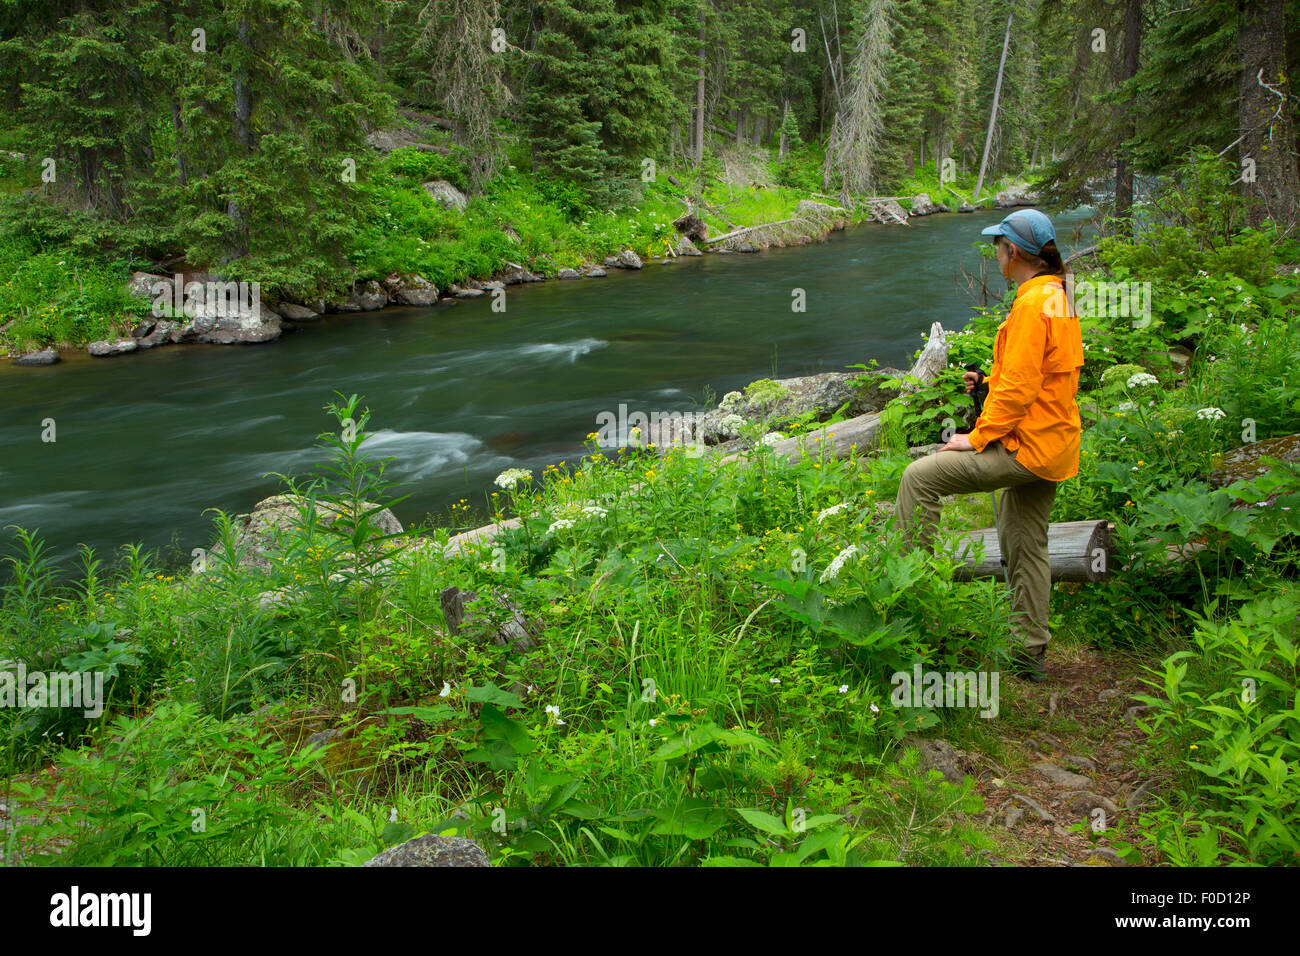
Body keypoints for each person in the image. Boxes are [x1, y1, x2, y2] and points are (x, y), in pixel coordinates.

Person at [894, 209, 1084, 682]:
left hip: (1026, 447)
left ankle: (905, 611)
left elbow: (1020, 389)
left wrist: (976, 437)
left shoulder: (1030, 304)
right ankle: (1029, 653)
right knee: (1026, 543)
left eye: (997, 246)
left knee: (919, 478)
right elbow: (1036, 377)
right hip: (1054, 443)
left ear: (1012, 253)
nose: (994, 253)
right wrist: (986, 382)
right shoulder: (1058, 295)